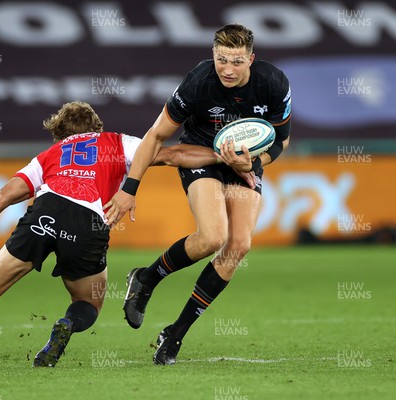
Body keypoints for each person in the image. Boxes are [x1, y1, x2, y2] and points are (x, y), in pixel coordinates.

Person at [0, 101, 229, 370]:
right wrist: (222, 156)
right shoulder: (115, 142)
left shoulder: (48, 156)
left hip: (44, 214)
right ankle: (66, 324)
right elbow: (175, 155)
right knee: (87, 303)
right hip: (87, 224)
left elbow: (0, 198)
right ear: (95, 128)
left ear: (59, 135)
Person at [104, 23, 292, 365]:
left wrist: (253, 163)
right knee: (212, 237)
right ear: (213, 55)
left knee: (238, 245)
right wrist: (130, 188)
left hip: (245, 160)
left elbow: (282, 142)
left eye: (237, 61)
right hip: (201, 154)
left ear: (252, 58)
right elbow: (156, 135)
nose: (228, 69)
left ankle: (174, 333)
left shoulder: (273, 83)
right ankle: (147, 278)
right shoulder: (198, 82)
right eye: (222, 59)